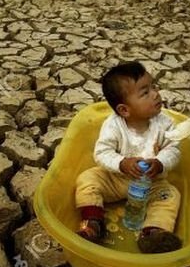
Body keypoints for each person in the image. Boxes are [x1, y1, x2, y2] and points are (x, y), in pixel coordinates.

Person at [75, 61, 183, 253]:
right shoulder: (113, 125)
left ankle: (153, 233)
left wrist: (160, 163)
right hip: (115, 179)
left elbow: (174, 149)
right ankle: (93, 221)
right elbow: (102, 153)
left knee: (170, 195)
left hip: (151, 183)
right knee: (87, 179)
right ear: (124, 110)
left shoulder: (165, 123)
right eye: (145, 93)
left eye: (153, 87)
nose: (156, 94)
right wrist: (121, 163)